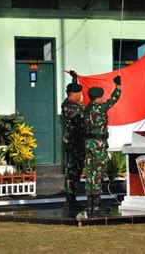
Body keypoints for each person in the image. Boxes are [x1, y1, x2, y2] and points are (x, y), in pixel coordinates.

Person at [83, 75, 121, 214]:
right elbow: (114, 99)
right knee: (97, 173)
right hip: (99, 144)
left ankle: (90, 203)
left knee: (90, 173)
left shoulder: (86, 109)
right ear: (99, 97)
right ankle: (97, 205)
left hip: (88, 144)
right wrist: (118, 86)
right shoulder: (100, 107)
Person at [61, 70, 85, 211]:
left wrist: (75, 79)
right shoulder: (72, 108)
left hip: (75, 143)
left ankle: (72, 199)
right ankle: (71, 200)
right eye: (80, 93)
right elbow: (82, 123)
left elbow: (72, 89)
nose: (81, 95)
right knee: (73, 173)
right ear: (74, 95)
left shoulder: (68, 103)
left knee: (75, 172)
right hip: (74, 144)